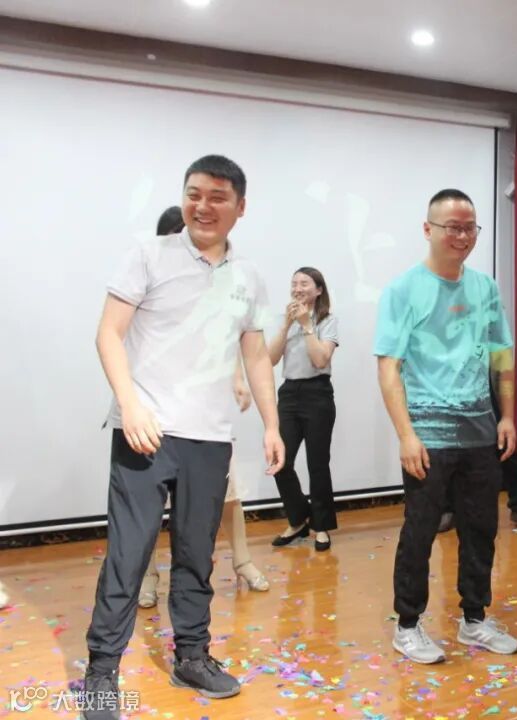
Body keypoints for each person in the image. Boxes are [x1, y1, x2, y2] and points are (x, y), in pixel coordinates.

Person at [83, 155, 284, 720]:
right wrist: (130, 405)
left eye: (217, 197)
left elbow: (255, 357)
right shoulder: (149, 255)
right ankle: (102, 671)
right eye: (194, 193)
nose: (203, 206)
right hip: (145, 432)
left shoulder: (249, 277)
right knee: (129, 554)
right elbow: (108, 334)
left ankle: (192, 656)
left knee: (197, 555)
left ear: (240, 207)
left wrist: (271, 424)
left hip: (209, 438)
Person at [375, 188, 517, 664]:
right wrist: (406, 434)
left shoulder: (485, 288)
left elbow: (501, 355)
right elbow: (389, 367)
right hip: (428, 434)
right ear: (428, 230)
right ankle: (408, 625)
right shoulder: (403, 289)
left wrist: (508, 415)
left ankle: (474, 619)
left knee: (481, 529)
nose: (462, 236)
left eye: (469, 228)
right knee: (420, 531)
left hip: (480, 431)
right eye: (452, 227)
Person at [138, 208, 269, 609]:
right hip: (155, 416)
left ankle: (243, 562)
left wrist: (237, 377)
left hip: (205, 420)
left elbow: (225, 340)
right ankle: (148, 575)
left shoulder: (221, 286)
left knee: (227, 494)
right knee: (148, 506)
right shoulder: (149, 280)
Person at [267, 267, 340, 552]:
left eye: (304, 283)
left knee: (317, 464)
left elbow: (321, 360)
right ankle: (298, 520)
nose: (298, 288)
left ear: (318, 290)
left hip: (317, 393)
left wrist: (307, 325)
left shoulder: (328, 321)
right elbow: (271, 359)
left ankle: (321, 526)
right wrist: (286, 325)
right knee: (280, 460)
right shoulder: (284, 320)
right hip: (289, 394)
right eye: (294, 283)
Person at [437, 375, 517, 534]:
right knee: (449, 442)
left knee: (503, 441)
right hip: (445, 382)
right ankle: (448, 508)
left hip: (478, 378)